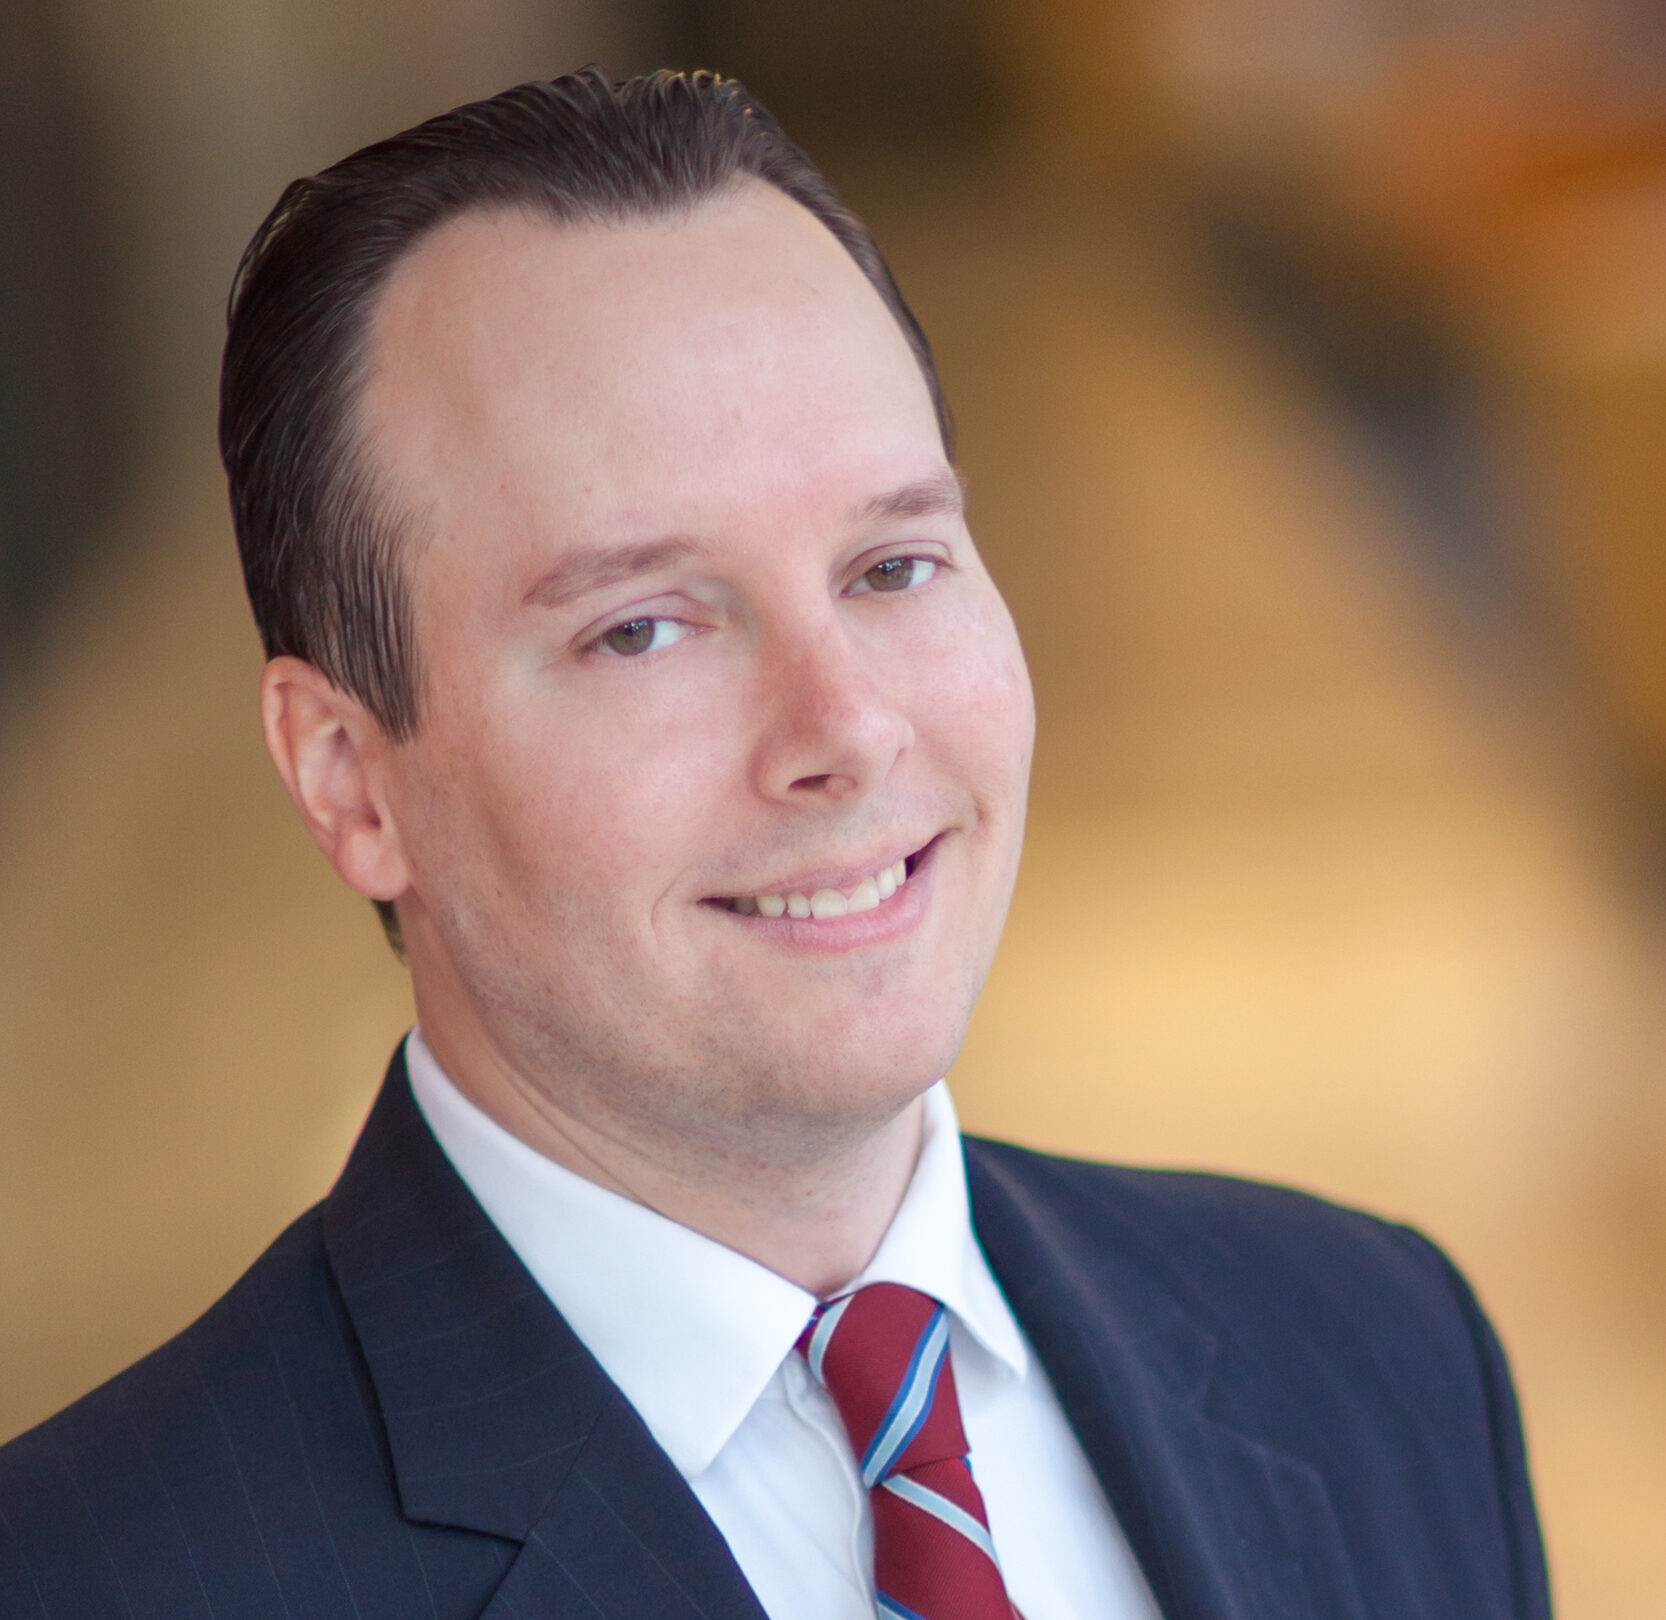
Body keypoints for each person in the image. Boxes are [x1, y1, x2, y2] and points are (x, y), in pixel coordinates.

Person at [0, 69, 1549, 1620]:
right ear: (349, 782)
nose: (847, 727)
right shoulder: (95, 1578)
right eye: (641, 628)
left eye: (891, 565)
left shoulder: (1377, 1354)